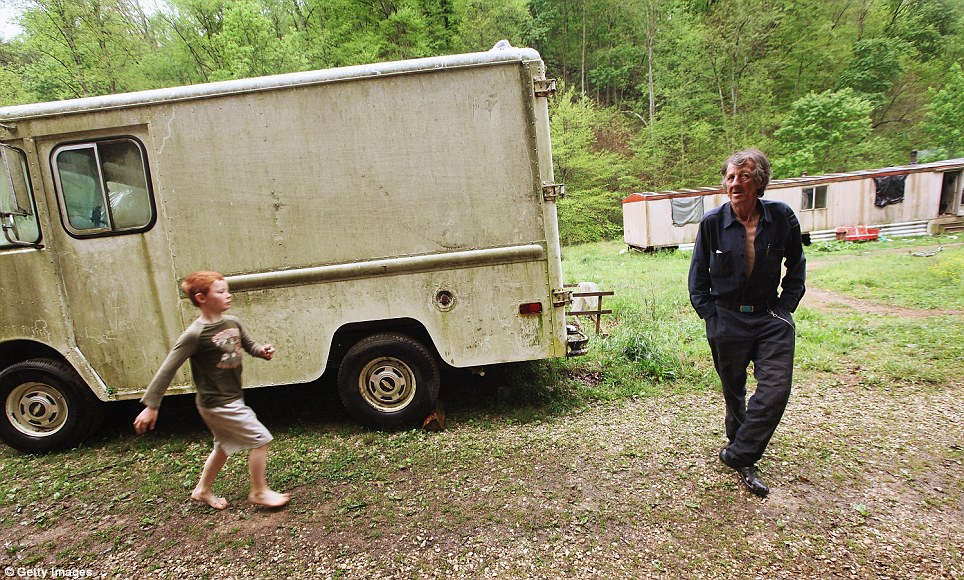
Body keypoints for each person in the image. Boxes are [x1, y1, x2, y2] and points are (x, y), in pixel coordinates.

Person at [688, 148, 806, 497]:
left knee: (775, 390)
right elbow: (697, 278)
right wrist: (711, 317)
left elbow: (796, 266)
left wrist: (785, 308)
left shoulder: (782, 217)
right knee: (734, 390)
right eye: (730, 177)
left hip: (770, 316)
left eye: (744, 176)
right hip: (726, 318)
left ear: (759, 182)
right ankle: (742, 451)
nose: (735, 183)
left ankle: (739, 454)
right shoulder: (712, 223)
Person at [134, 271, 290, 510]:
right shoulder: (195, 334)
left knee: (222, 447)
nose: (228, 295)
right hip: (217, 403)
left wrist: (262, 351)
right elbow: (168, 368)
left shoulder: (233, 322)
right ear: (201, 298)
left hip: (229, 398)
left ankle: (202, 490)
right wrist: (151, 405)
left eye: (227, 290)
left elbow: (249, 345)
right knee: (261, 439)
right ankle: (259, 491)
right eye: (220, 291)